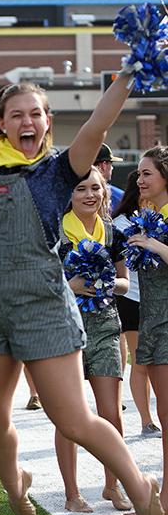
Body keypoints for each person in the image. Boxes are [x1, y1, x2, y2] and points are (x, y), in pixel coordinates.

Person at [0, 51, 164, 515]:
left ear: (47, 121)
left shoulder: (59, 170)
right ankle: (16, 481)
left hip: (44, 306)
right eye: (16, 115)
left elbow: (97, 124)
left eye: (36, 113)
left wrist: (130, 72)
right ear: (2, 125)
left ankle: (136, 484)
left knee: (72, 418)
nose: (27, 121)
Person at [55, 167, 131, 513]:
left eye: (96, 188)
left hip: (105, 325)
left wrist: (106, 284)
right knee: (69, 416)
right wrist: (70, 286)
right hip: (65, 328)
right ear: (69, 195)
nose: (89, 195)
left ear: (104, 192)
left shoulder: (112, 232)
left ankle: (112, 487)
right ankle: (72, 494)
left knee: (111, 413)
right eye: (81, 188)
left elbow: (125, 283)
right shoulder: (55, 232)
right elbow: (44, 280)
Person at [123, 145, 168, 515]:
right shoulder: (148, 216)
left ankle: (166, 498)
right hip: (152, 319)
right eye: (139, 174)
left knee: (167, 414)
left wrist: (156, 245)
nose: (140, 180)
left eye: (147, 173)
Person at [113, 171, 161, 438]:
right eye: (141, 183)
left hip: (160, 298)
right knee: (140, 360)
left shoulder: (162, 218)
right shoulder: (120, 223)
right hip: (132, 299)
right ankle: (146, 421)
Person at [93, 144, 124, 214]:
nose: (112, 168)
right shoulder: (119, 196)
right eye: (111, 164)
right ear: (103, 165)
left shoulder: (74, 193)